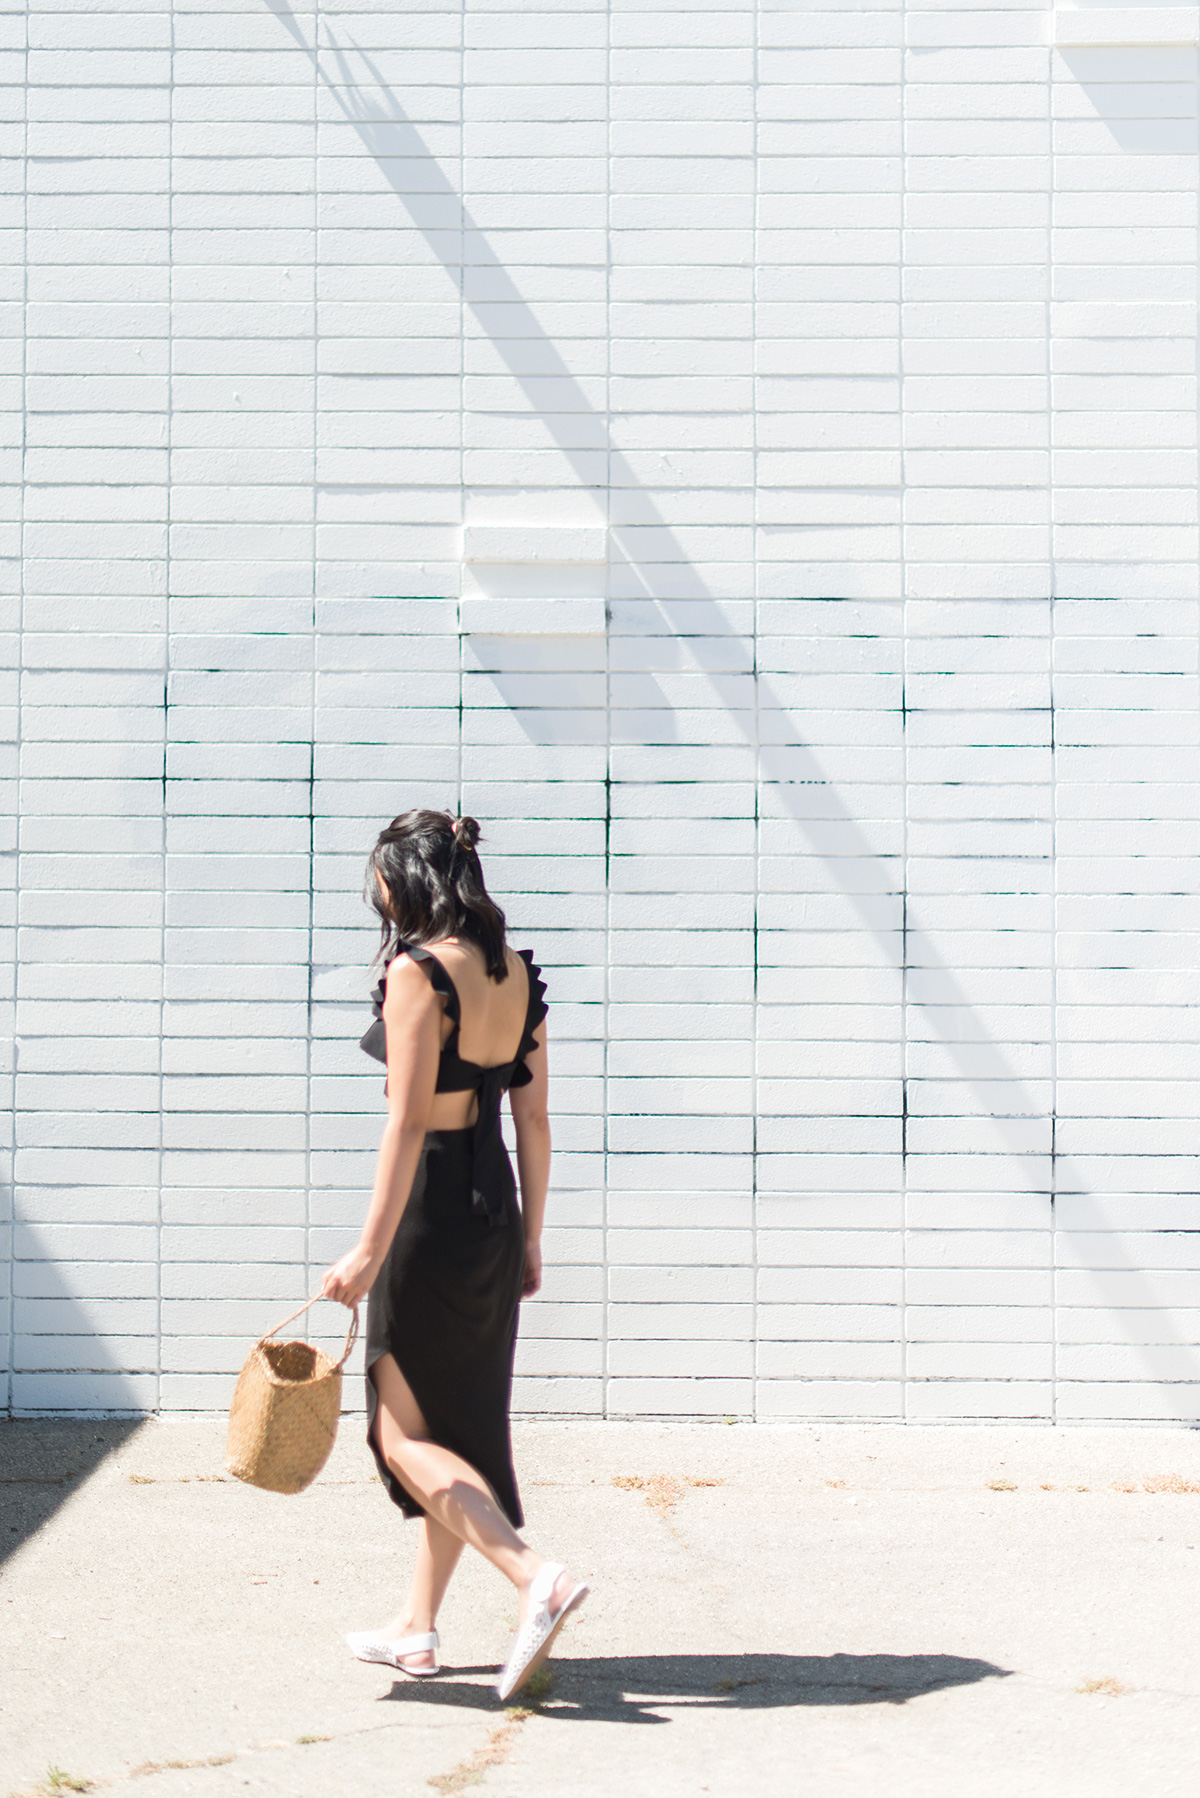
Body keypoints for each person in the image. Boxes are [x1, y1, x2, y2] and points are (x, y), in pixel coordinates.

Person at [321, 808, 587, 1700]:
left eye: (381, 882)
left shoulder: (416, 972)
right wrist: (533, 1236)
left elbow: (403, 1122)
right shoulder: (516, 974)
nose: (379, 898)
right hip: (495, 1209)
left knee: (401, 1437)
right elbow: (535, 1118)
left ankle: (530, 1575)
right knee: (454, 1425)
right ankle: (416, 1628)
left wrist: (366, 1250)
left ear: (404, 881)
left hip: (429, 1210)